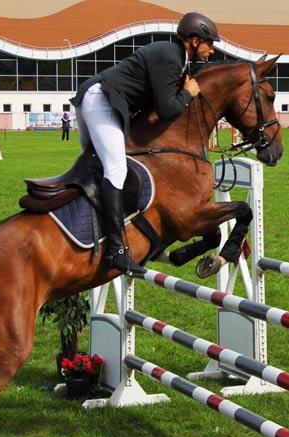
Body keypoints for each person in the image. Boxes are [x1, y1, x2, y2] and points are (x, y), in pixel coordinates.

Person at [69, 11, 219, 274]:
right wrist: (188, 93)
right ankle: (116, 251)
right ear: (195, 40)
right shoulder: (171, 57)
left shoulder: (177, 58)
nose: (212, 50)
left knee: (101, 169)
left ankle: (96, 235)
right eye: (210, 43)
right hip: (100, 100)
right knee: (115, 169)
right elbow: (167, 110)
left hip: (98, 99)